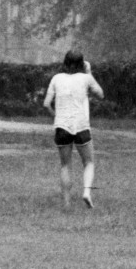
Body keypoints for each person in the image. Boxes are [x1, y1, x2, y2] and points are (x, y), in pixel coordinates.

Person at [43, 50, 104, 208]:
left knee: (65, 165)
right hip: (81, 125)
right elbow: (100, 94)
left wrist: (56, 116)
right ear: (81, 64)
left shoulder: (56, 78)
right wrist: (89, 72)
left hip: (62, 126)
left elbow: (46, 104)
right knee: (89, 162)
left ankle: (66, 203)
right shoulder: (85, 78)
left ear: (65, 63)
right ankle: (86, 192)